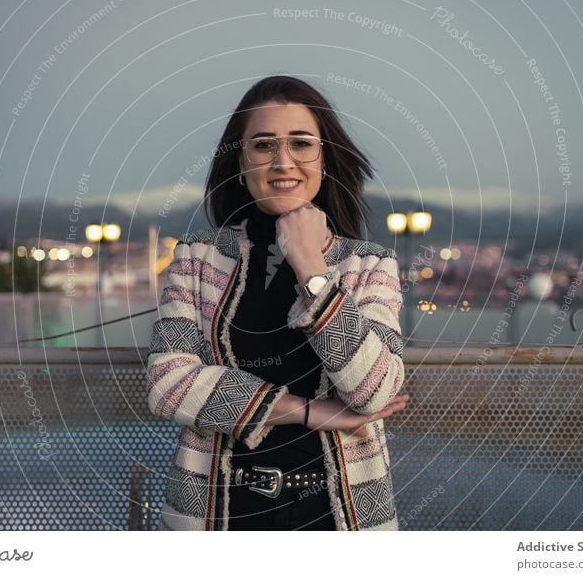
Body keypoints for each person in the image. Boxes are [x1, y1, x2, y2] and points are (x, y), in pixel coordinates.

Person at [147, 75, 409, 531]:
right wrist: (310, 411)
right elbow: (168, 385)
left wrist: (310, 267)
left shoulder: (370, 266)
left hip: (340, 518)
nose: (282, 161)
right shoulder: (195, 259)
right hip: (214, 514)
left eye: (301, 143)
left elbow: (374, 389)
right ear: (241, 162)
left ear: (325, 158)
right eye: (263, 145)